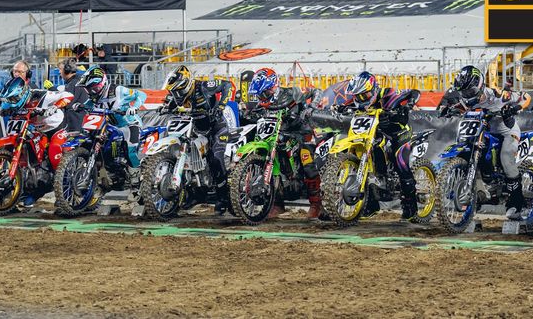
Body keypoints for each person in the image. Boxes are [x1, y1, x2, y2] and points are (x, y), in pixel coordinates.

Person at [438, 66, 532, 219]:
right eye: (464, 92)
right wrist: (447, 109)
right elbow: (457, 106)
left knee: (506, 157)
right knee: (469, 150)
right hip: (483, 131)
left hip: (506, 131)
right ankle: (477, 194)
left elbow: (526, 97)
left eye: (470, 91)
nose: (467, 95)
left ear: (480, 85)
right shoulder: (463, 98)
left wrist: (514, 107)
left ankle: (517, 203)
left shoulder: (496, 95)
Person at [332, 71, 421, 220]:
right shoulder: (357, 100)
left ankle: (410, 205)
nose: (361, 99)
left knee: (399, 159)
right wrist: (339, 108)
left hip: (398, 131)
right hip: (374, 133)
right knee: (368, 159)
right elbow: (345, 105)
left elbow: (414, 92)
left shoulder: (388, 93)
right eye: (358, 96)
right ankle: (371, 204)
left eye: (364, 95)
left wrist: (408, 105)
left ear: (373, 89)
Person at [244, 68, 322, 219]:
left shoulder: (292, 92)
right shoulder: (261, 103)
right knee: (271, 162)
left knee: (307, 160)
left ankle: (316, 204)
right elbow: (253, 113)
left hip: (300, 131)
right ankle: (276, 204)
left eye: (264, 93)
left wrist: (311, 107)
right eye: (259, 94)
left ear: (273, 87)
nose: (261, 97)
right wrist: (247, 113)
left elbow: (316, 91)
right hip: (277, 135)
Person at [160, 66, 235, 214]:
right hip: (196, 128)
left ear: (187, 84)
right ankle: (196, 193)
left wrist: (220, 106)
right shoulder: (178, 95)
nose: (177, 95)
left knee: (215, 157)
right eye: (174, 92)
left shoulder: (204, 86)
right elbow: (171, 103)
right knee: (188, 156)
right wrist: (165, 107)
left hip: (216, 127)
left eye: (179, 91)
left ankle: (223, 197)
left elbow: (227, 85)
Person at [0, 77, 73, 207]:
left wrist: (55, 106)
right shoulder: (14, 101)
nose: (12, 103)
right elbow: (6, 107)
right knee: (29, 155)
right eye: (10, 100)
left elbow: (68, 95)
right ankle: (30, 190)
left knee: (54, 150)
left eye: (13, 99)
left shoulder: (42, 95)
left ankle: (66, 191)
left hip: (55, 128)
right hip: (37, 130)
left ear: (22, 93)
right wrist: (4, 110)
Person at [75, 66, 146, 169]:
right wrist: (79, 105)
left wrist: (134, 107)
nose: (92, 92)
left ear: (103, 83)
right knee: (94, 142)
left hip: (129, 124)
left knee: (130, 150)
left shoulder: (118, 90)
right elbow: (87, 104)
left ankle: (136, 172)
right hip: (110, 127)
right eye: (88, 89)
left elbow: (141, 95)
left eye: (95, 88)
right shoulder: (94, 98)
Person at [56, 58, 88, 133]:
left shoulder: (74, 83)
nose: (59, 72)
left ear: (67, 70)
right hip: (76, 120)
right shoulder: (75, 81)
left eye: (60, 69)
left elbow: (67, 102)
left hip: (75, 123)